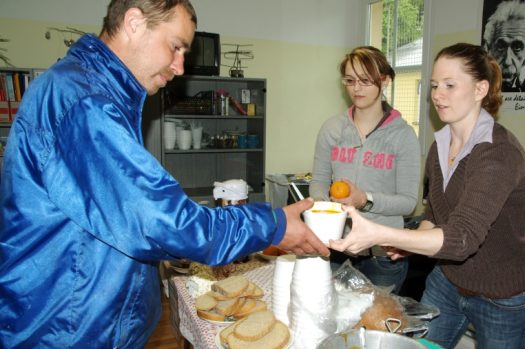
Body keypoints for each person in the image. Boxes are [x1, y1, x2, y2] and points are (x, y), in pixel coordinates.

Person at [0, 1, 328, 348]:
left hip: (88, 320)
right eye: (175, 47)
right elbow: (163, 223)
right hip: (64, 329)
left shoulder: (96, 92)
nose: (179, 66)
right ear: (134, 23)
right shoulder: (84, 103)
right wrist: (272, 225)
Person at [330, 42, 525, 349]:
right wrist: (409, 244)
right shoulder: (440, 145)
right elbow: (435, 216)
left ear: (480, 88)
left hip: (500, 294)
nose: (438, 95)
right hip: (447, 281)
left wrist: (382, 234)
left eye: (450, 85)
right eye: (435, 85)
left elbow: (462, 237)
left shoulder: (498, 154)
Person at [309, 46, 421, 294]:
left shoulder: (403, 136)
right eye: (350, 80)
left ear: (385, 80)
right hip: (336, 248)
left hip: (383, 254)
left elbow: (408, 202)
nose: (356, 88)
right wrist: (328, 207)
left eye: (365, 80)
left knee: (375, 323)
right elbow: (317, 182)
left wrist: (364, 200)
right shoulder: (332, 129)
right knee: (330, 318)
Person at [482, 0, 525, 92]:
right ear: (489, 48)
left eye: (517, 47)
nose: (507, 61)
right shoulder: (482, 86)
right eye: (500, 47)